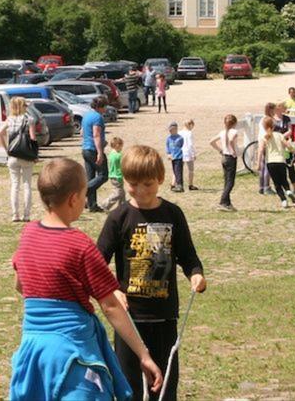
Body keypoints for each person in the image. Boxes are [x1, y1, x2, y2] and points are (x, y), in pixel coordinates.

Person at [9, 158, 163, 400]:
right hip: (72, 352)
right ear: (73, 199)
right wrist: (143, 355)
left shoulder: (28, 234)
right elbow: (111, 305)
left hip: (34, 350)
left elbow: (20, 285)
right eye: (84, 194)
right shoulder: (79, 244)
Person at [97, 145, 207, 401]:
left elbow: (188, 256)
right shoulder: (119, 217)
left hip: (164, 317)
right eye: (133, 184)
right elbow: (98, 261)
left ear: (159, 179)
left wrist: (196, 274)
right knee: (130, 388)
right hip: (129, 320)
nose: (140, 191)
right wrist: (113, 288)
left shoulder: (173, 214)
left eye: (147, 184)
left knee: (166, 387)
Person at [0, 96, 40, 222]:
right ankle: (26, 215)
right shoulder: (30, 119)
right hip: (26, 155)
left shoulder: (9, 119)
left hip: (13, 155)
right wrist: (35, 155)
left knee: (15, 185)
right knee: (27, 185)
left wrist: (7, 149)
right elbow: (33, 138)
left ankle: (15, 214)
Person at [258, 116, 295, 208]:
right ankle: (288, 190)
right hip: (281, 161)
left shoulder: (264, 137)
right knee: (284, 179)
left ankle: (284, 200)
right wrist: (292, 150)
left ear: (264, 127)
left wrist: (258, 163)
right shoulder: (279, 135)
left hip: (270, 162)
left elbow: (260, 150)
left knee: (277, 184)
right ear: (274, 125)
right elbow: (287, 144)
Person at [81, 96, 109, 212]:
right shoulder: (98, 117)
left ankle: (92, 205)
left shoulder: (86, 116)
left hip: (85, 149)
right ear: (100, 107)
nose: (106, 109)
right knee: (103, 175)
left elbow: (82, 132)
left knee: (91, 177)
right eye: (105, 107)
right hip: (93, 150)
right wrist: (100, 152)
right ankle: (82, 193)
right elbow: (96, 134)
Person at [209, 115, 240, 211]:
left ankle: (227, 203)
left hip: (224, 157)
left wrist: (220, 150)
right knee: (230, 182)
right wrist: (234, 150)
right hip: (231, 157)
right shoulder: (234, 131)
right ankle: (222, 201)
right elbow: (231, 140)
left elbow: (211, 141)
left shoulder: (222, 132)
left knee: (226, 181)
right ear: (235, 123)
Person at [273, 103, 295, 194]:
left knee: (290, 165)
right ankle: (282, 187)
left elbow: (290, 130)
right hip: (276, 146)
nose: (280, 109)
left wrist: (281, 137)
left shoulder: (286, 119)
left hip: (285, 145)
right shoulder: (272, 119)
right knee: (278, 167)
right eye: (279, 107)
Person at [257, 103, 276, 195]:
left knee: (263, 166)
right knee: (267, 166)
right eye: (274, 110)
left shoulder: (262, 119)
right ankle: (267, 187)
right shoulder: (269, 120)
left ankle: (261, 186)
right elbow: (269, 133)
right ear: (270, 110)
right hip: (266, 142)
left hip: (261, 141)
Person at [102, 137, 126, 211]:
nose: (122, 147)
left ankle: (122, 206)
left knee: (122, 192)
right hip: (117, 176)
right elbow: (122, 165)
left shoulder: (111, 153)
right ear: (117, 146)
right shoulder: (118, 155)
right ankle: (105, 204)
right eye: (121, 145)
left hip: (112, 175)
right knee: (118, 193)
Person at [165, 122, 185, 193]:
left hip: (179, 157)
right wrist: (168, 154)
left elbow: (183, 146)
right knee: (175, 171)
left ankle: (180, 186)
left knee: (178, 171)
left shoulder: (180, 138)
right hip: (172, 157)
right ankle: (177, 184)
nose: (170, 131)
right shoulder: (168, 138)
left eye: (172, 129)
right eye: (169, 130)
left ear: (176, 129)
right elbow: (167, 147)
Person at [179, 119, 198, 191]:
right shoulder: (189, 133)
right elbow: (190, 144)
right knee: (191, 170)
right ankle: (190, 184)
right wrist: (193, 154)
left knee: (179, 169)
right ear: (190, 125)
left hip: (180, 152)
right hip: (188, 153)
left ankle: (176, 184)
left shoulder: (179, 132)